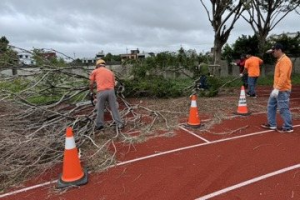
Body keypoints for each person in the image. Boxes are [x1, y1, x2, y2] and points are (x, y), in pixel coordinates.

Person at [261, 43, 293, 133]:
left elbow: (283, 76)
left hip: (282, 89)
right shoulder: (280, 60)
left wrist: (277, 88)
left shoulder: (285, 61)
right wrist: (276, 88)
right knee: (271, 105)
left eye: (274, 51)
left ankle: (288, 127)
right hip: (277, 89)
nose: (273, 53)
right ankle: (272, 124)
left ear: (279, 50)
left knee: (283, 108)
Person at [89, 59, 123, 130]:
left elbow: (91, 83)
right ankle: (119, 124)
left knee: (100, 108)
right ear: (104, 65)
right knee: (114, 108)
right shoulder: (110, 72)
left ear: (97, 65)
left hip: (101, 91)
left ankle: (99, 125)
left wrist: (91, 91)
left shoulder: (95, 71)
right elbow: (114, 84)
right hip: (111, 91)